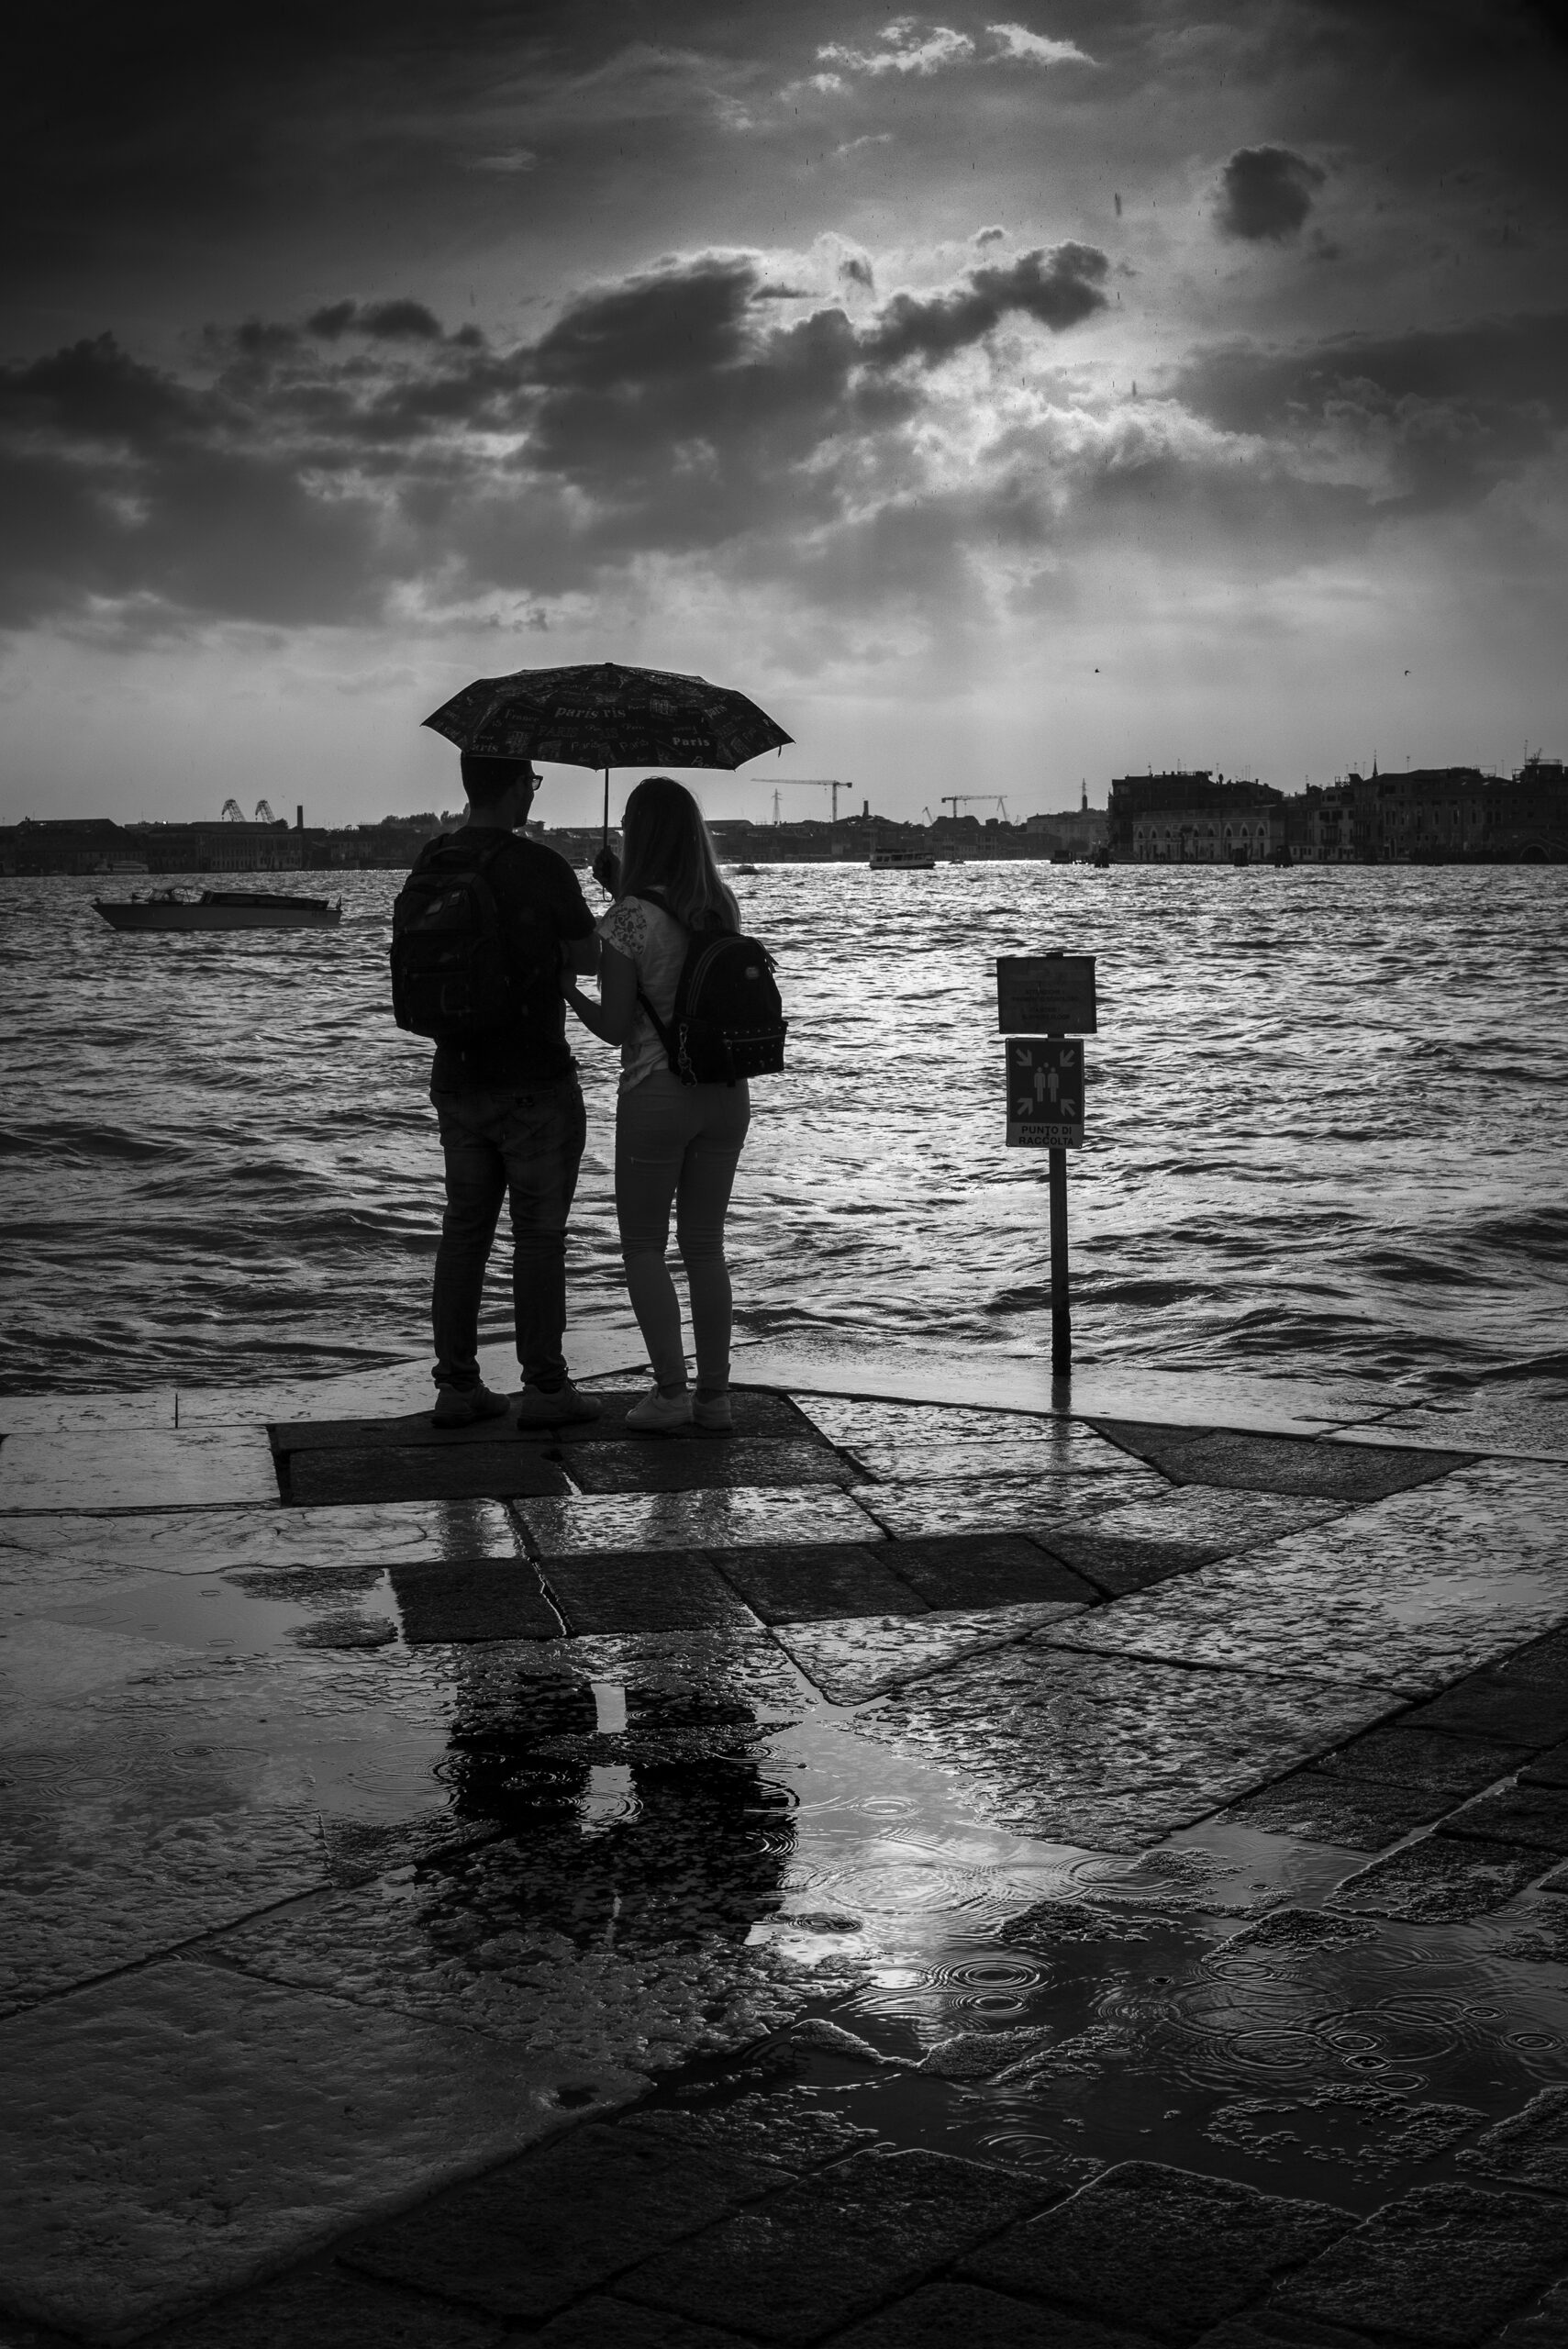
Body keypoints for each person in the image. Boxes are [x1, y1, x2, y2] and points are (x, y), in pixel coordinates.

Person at [562, 777, 749, 1433]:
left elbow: (616, 1026)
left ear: (636, 836)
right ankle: (715, 1399)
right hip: (726, 1094)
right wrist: (622, 895)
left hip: (657, 1094)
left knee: (644, 1246)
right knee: (705, 1246)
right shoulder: (719, 903)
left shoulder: (626, 917)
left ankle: (669, 1393)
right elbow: (678, 950)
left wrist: (568, 992)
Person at [425, 752, 603, 1429]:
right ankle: (547, 1390)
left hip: (457, 1075)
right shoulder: (539, 864)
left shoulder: (433, 860)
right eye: (529, 784)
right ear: (510, 789)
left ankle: (457, 1387)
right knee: (538, 1236)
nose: (531, 795)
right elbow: (588, 959)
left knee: (464, 1233)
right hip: (532, 1076)